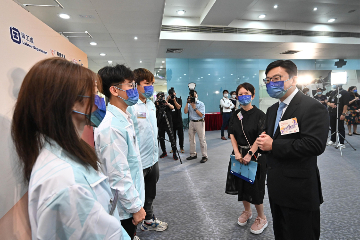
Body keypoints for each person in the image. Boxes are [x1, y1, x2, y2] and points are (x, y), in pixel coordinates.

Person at [11, 58, 130, 240]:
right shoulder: (66, 182)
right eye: (95, 94)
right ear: (73, 103)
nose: (99, 101)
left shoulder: (66, 151)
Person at [256, 60, 329, 240]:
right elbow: (277, 137)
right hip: (276, 187)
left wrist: (273, 145)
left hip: (300, 190)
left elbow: (314, 144)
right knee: (281, 233)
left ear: (293, 79)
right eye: (268, 80)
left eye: (277, 78)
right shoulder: (273, 109)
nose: (271, 83)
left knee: (302, 234)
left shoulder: (312, 107)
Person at [95, 64, 145, 240]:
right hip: (123, 209)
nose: (134, 89)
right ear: (114, 91)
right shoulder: (111, 128)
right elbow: (118, 175)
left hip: (129, 202)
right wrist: (135, 208)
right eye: (130, 85)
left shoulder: (124, 118)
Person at [128, 68, 168, 232]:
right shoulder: (131, 106)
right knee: (134, 197)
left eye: (152, 83)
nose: (151, 86)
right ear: (136, 85)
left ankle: (149, 220)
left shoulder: (151, 104)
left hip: (153, 158)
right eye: (147, 83)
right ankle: (131, 231)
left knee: (150, 194)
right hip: (138, 162)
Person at [226, 83, 268, 235]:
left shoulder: (260, 115)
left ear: (253, 95)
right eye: (240, 93)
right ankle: (247, 211)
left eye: (247, 93)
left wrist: (250, 154)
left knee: (255, 187)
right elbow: (231, 133)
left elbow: (261, 136)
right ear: (236, 96)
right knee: (242, 185)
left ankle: (262, 217)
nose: (243, 96)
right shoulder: (235, 114)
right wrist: (237, 152)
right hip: (238, 156)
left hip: (255, 156)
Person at [184, 90, 208, 163]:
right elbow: (185, 112)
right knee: (191, 139)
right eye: (192, 96)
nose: (193, 97)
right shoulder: (189, 104)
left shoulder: (201, 104)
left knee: (202, 139)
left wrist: (194, 108)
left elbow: (201, 115)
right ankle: (193, 154)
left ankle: (204, 156)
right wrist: (187, 103)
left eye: (194, 95)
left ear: (197, 95)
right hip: (191, 122)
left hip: (199, 122)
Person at [155, 92, 178, 160]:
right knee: (161, 138)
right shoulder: (156, 104)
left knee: (172, 138)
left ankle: (174, 153)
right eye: (159, 97)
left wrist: (167, 103)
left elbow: (173, 107)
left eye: (162, 97)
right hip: (160, 124)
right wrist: (157, 105)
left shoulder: (166, 103)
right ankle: (164, 152)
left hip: (168, 124)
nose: (161, 99)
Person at [167, 87, 185, 153]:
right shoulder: (168, 100)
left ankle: (181, 147)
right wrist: (167, 99)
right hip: (171, 121)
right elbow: (165, 107)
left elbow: (178, 107)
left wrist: (174, 101)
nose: (172, 95)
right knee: (172, 136)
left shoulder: (179, 99)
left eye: (173, 94)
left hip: (178, 120)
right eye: (171, 94)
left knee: (180, 135)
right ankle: (173, 148)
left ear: (175, 93)